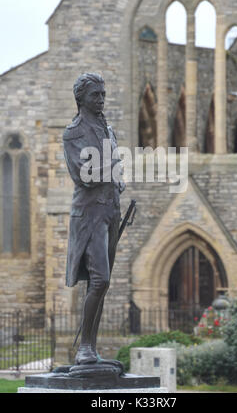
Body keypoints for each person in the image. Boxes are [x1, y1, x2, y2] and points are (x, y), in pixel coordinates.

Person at [63, 72, 125, 365]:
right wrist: (114, 164)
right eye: (94, 95)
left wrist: (118, 181)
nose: (100, 99)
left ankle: (92, 349)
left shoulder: (108, 130)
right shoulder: (74, 133)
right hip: (89, 215)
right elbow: (84, 176)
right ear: (81, 99)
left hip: (111, 210)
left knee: (103, 283)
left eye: (103, 94)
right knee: (99, 279)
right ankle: (85, 347)